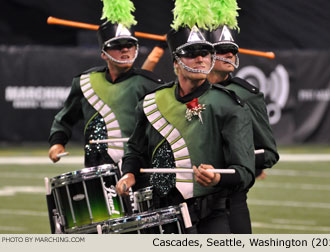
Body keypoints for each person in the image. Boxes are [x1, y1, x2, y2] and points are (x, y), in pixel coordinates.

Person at [115, 6, 256, 232]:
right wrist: (129, 174)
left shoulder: (229, 104)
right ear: (175, 63)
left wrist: (218, 178)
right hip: (162, 214)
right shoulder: (150, 102)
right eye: (191, 53)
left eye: (205, 52)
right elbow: (135, 150)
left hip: (212, 215)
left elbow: (245, 171)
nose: (200, 58)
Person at [48, 19, 163, 167]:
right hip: (96, 170)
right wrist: (57, 142)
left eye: (130, 45)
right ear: (104, 53)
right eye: (117, 45)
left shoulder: (150, 84)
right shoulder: (85, 82)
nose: (125, 50)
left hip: (138, 170)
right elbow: (65, 119)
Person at [207, 24, 279, 233]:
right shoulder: (187, 92)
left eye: (233, 50)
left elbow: (269, 153)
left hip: (230, 201)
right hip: (190, 204)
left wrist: (233, 160)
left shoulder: (246, 95)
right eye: (222, 50)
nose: (230, 54)